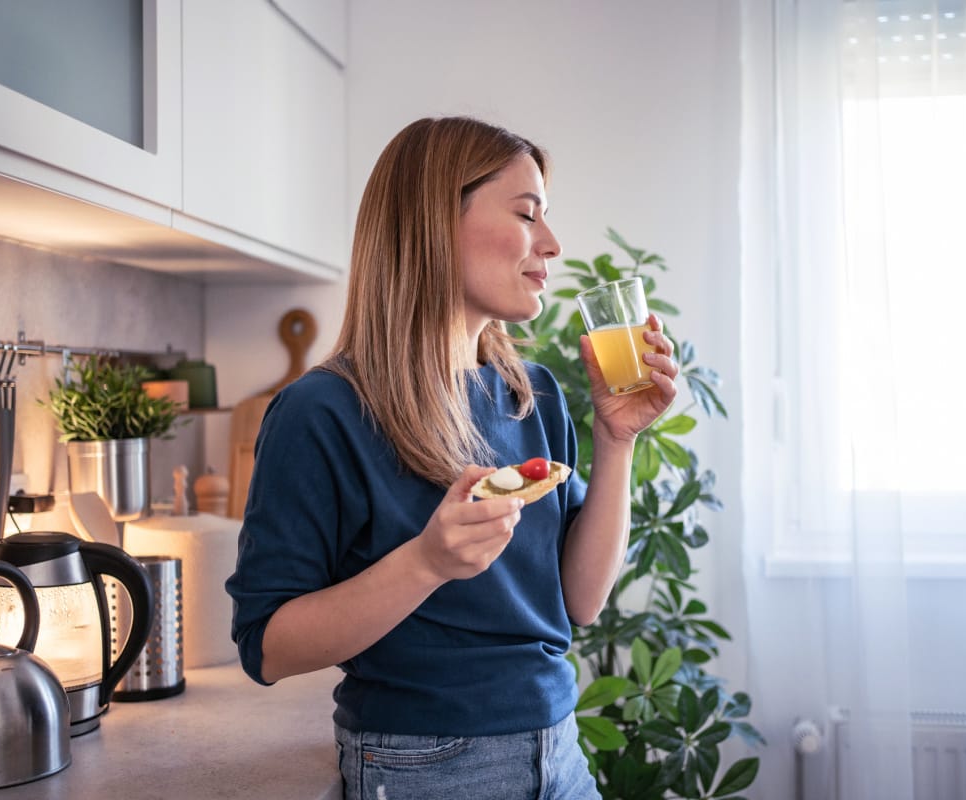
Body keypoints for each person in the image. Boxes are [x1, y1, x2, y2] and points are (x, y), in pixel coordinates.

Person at [226, 116, 678, 800]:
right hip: (423, 766)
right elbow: (267, 647)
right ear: (435, 222)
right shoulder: (321, 413)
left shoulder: (537, 396)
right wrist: (426, 564)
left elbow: (582, 601)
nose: (551, 246)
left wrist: (618, 441)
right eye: (528, 216)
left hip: (561, 748)